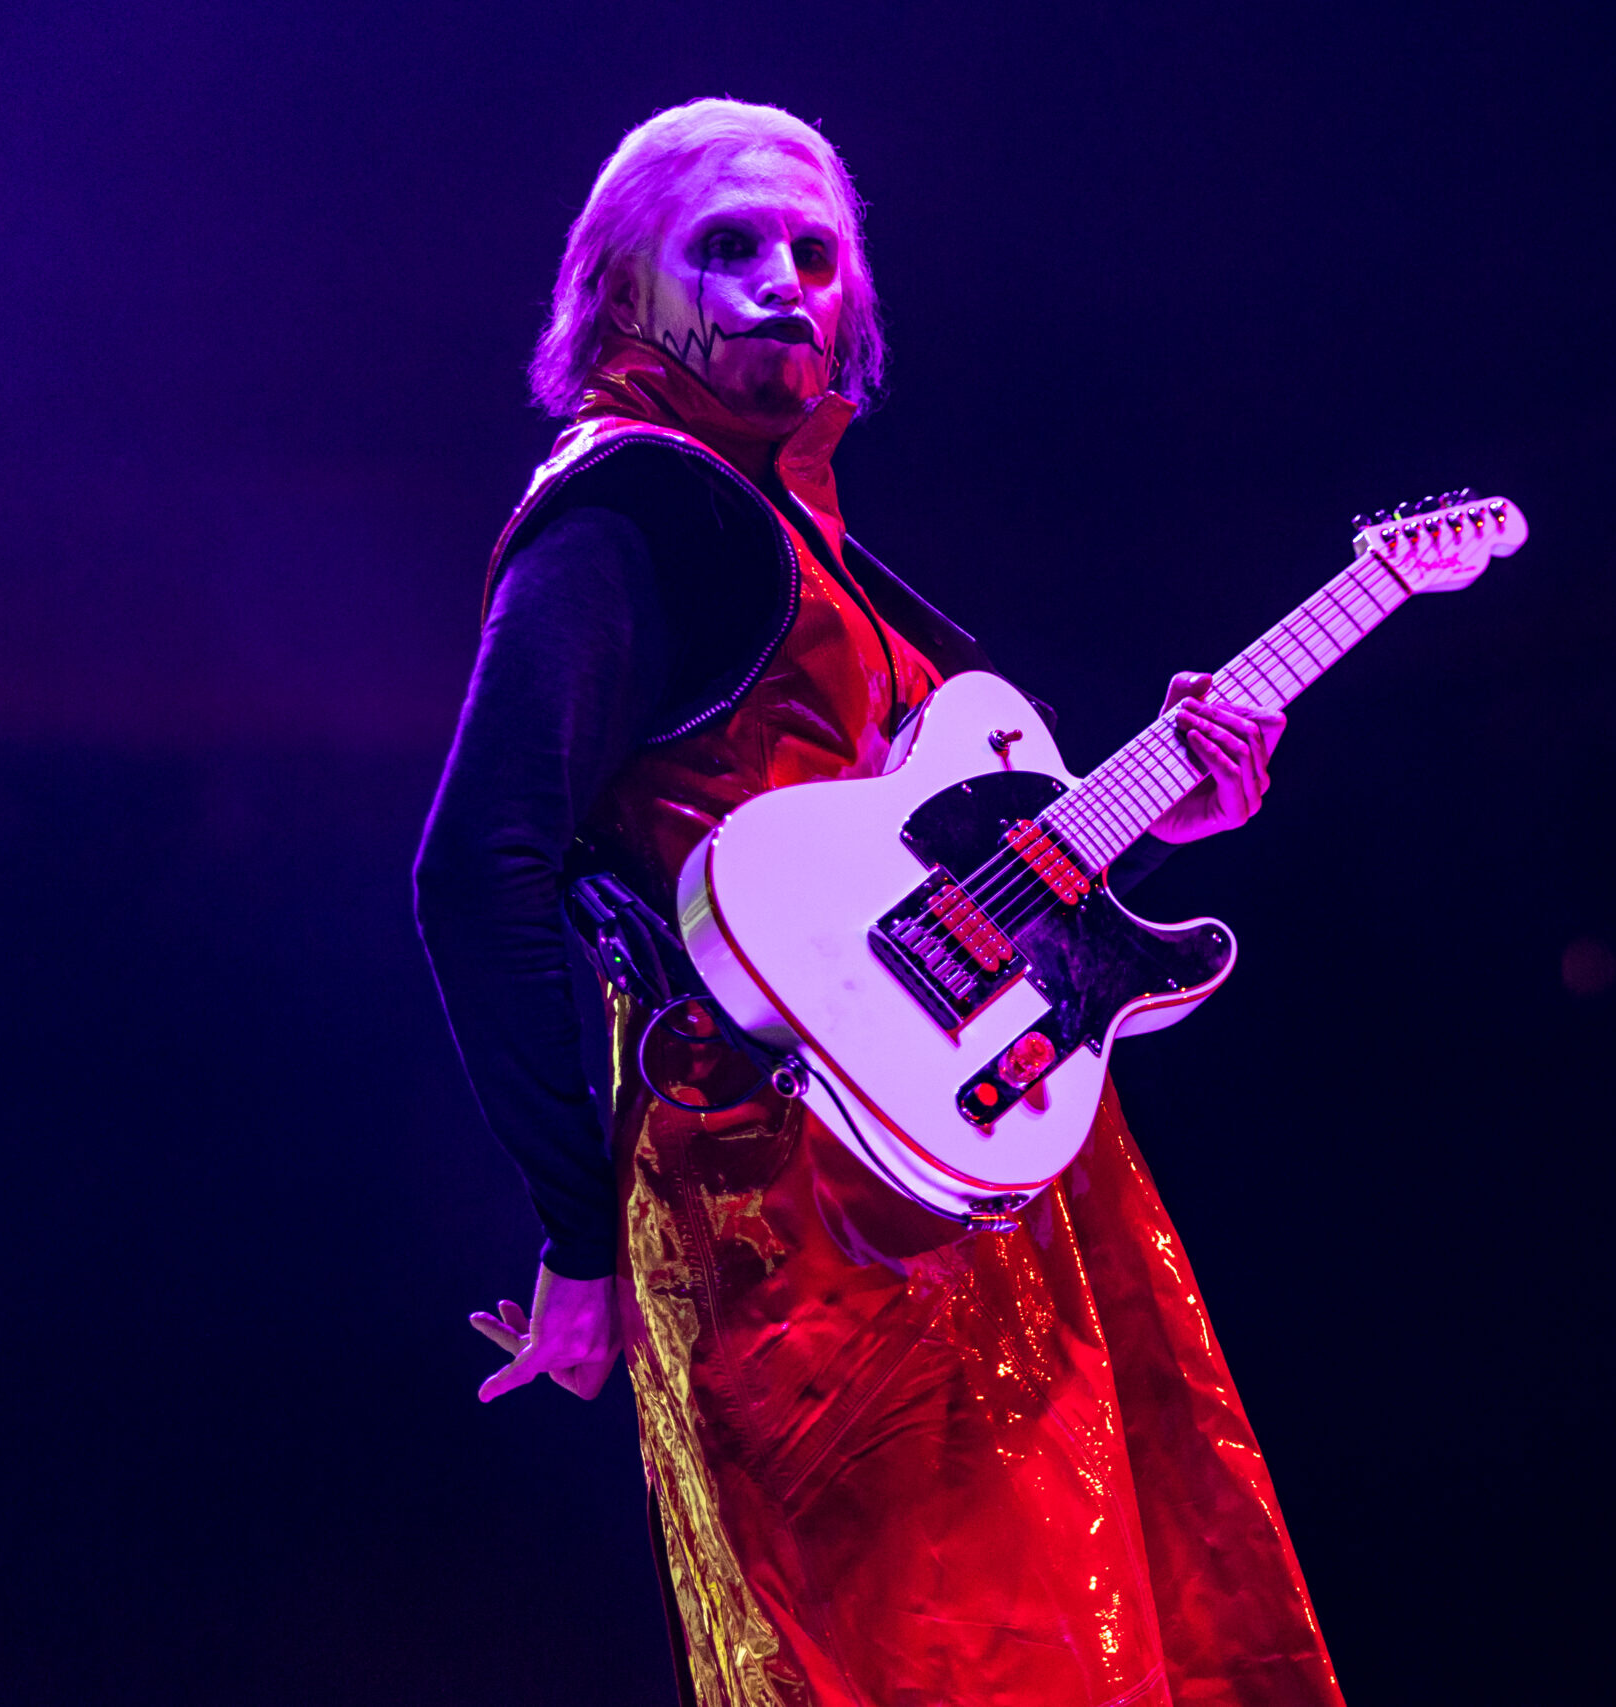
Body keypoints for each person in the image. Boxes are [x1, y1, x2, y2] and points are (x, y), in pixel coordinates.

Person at [414, 98, 1340, 1707]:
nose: (783, 279)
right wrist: (579, 1232)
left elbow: (929, 906)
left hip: (953, 1198)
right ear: (621, 290)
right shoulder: (635, 510)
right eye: (727, 245)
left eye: (817, 252)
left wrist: (1156, 818)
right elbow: (476, 864)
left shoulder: (804, 542)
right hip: (809, 1232)